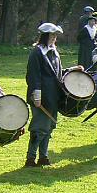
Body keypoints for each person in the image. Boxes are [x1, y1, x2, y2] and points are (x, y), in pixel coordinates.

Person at [25, 23, 64, 167]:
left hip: (53, 96)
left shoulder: (54, 52)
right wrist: (37, 96)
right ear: (45, 36)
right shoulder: (37, 52)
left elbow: (57, 74)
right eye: (52, 35)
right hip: (41, 97)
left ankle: (43, 157)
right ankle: (30, 158)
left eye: (55, 36)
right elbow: (33, 76)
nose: (54, 38)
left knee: (49, 127)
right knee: (39, 127)